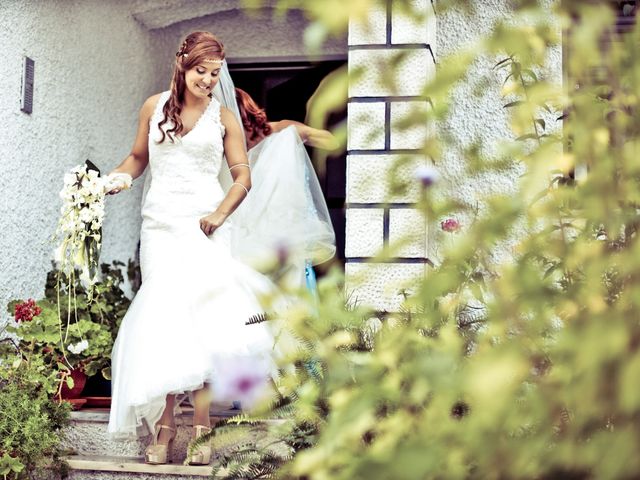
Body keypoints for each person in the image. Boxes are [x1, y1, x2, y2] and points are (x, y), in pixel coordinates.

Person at [103, 31, 282, 466]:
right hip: (160, 226)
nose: (207, 79)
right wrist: (114, 179)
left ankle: (201, 425)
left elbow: (242, 175)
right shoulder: (153, 106)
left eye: (214, 73)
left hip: (204, 225)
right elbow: (137, 157)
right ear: (182, 65)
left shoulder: (224, 117)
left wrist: (220, 213)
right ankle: (165, 423)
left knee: (203, 321)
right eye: (201, 71)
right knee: (166, 320)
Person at [228, 88, 337, 289]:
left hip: (280, 231)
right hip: (240, 233)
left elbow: (331, 141)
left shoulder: (281, 130)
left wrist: (301, 135)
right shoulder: (224, 147)